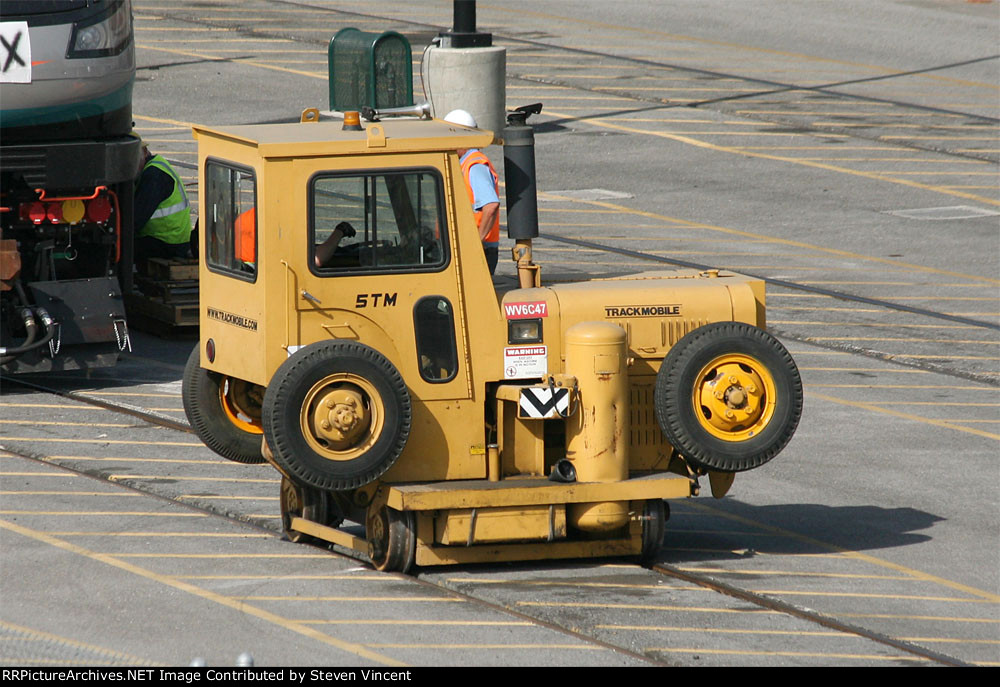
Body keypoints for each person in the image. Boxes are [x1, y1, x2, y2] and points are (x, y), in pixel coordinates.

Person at [443, 109, 500, 275]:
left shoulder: (475, 166)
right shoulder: (464, 162)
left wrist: (476, 242)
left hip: (480, 249)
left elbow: (491, 206)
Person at [133, 135, 193, 264]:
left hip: (168, 242)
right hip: (168, 239)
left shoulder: (154, 175)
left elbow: (135, 220)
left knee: (121, 248)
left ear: (144, 152)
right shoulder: (150, 168)